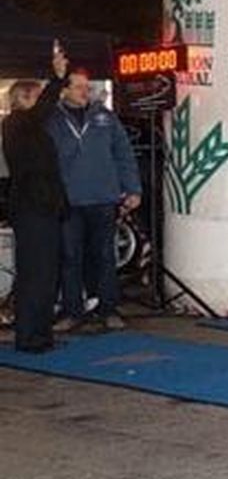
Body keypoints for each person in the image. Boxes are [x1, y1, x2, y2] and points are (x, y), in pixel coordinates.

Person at [49, 65, 142, 333]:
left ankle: (109, 309)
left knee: (105, 256)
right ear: (64, 90)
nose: (84, 92)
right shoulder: (52, 119)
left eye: (87, 87)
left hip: (103, 197)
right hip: (68, 200)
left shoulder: (104, 116)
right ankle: (71, 311)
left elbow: (123, 153)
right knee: (69, 257)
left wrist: (132, 189)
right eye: (78, 87)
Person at [4, 44, 70, 352]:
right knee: (35, 273)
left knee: (47, 273)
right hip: (32, 208)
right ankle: (29, 336)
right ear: (25, 99)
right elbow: (44, 109)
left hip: (44, 207)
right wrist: (56, 80)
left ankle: (41, 333)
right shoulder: (17, 124)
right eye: (36, 95)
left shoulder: (32, 128)